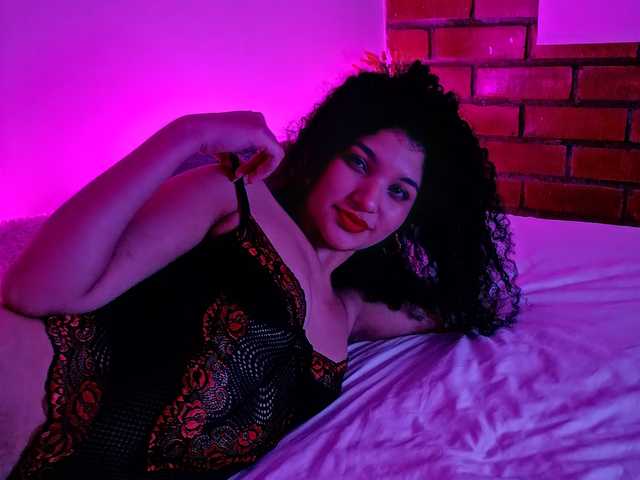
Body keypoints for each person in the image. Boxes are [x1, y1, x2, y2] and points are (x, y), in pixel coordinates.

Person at [2, 58, 522, 479]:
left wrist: (466, 272)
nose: (368, 200)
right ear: (323, 150)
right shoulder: (236, 195)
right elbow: (35, 291)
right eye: (358, 162)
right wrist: (188, 134)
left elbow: (466, 306)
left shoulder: (347, 310)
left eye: (399, 192)